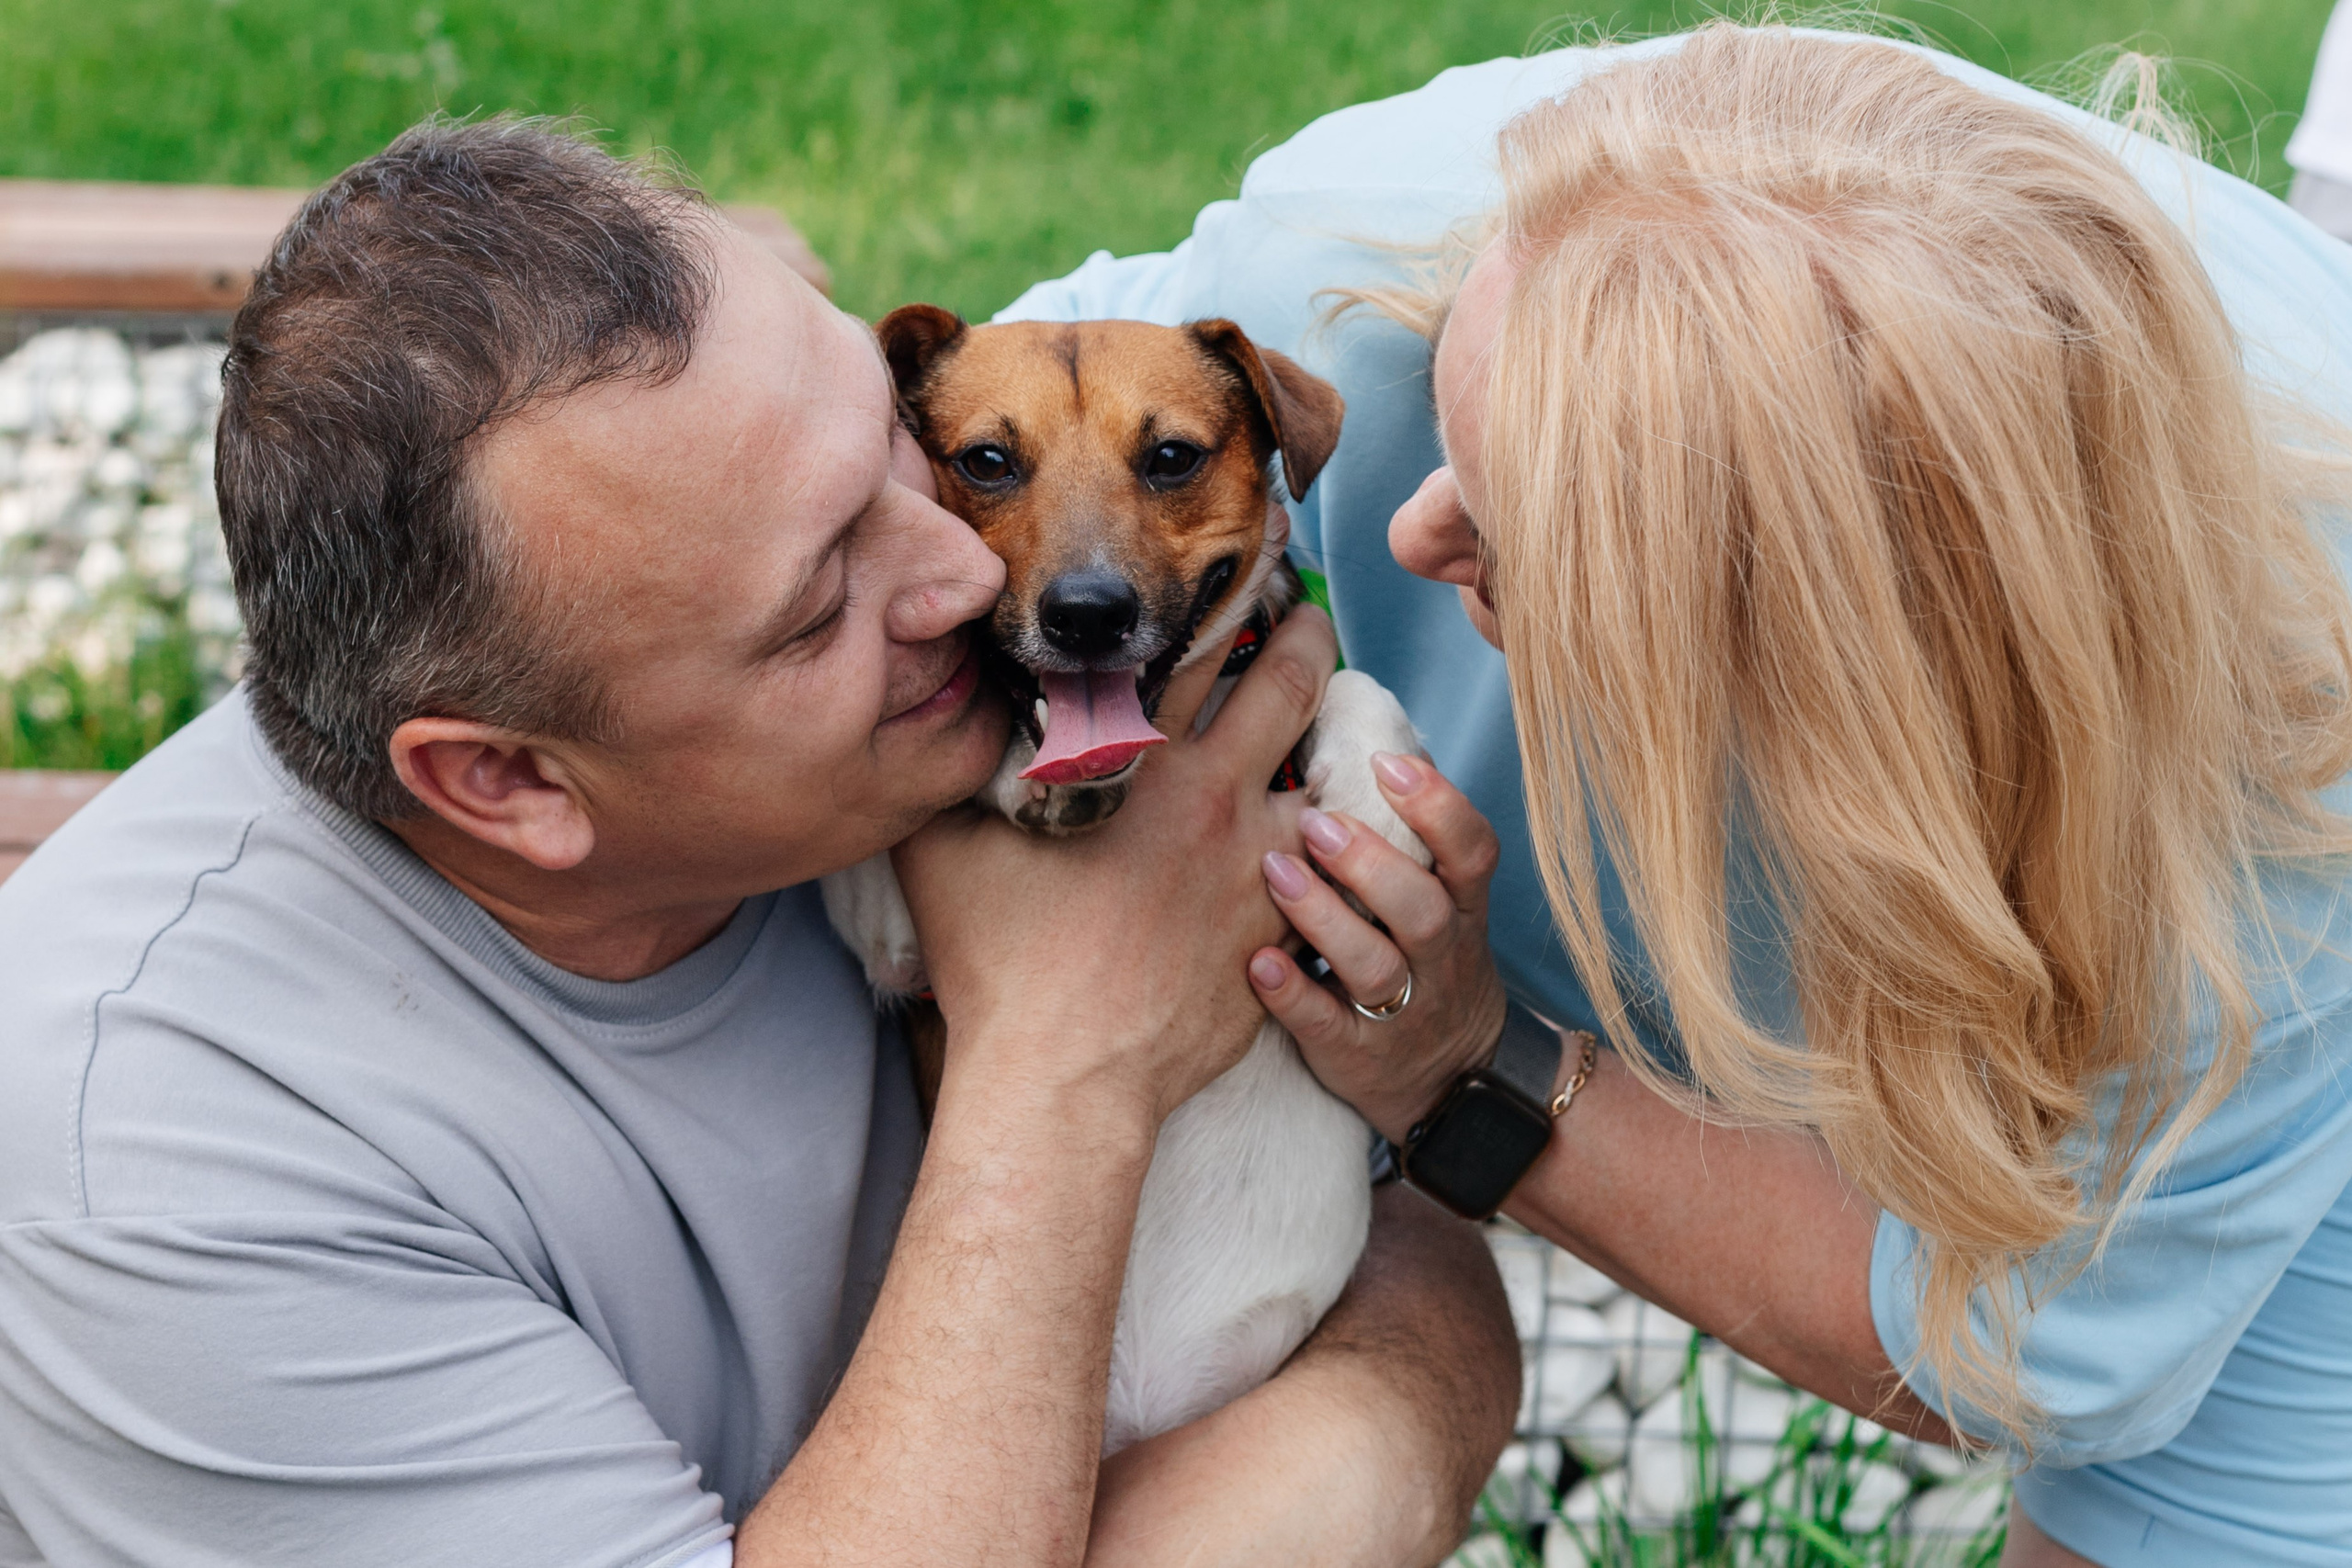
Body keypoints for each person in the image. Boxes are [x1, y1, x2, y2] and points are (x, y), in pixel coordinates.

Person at [0, 121, 1523, 1567]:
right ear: (511, 781)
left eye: (896, 459)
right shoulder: (168, 1182)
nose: (960, 575)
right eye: (816, 601)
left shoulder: (891, 762)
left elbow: (1423, 1289)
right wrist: (1073, 1050)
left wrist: (1382, 1341)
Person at [1002, 24, 2352, 1567]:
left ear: (1833, 652)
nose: (1415, 538)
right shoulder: (1353, 254)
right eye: (1454, 431)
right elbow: (919, 504)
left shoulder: (2287, 783)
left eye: (1533, 532)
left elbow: (2020, 1347)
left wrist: (1466, 1067)